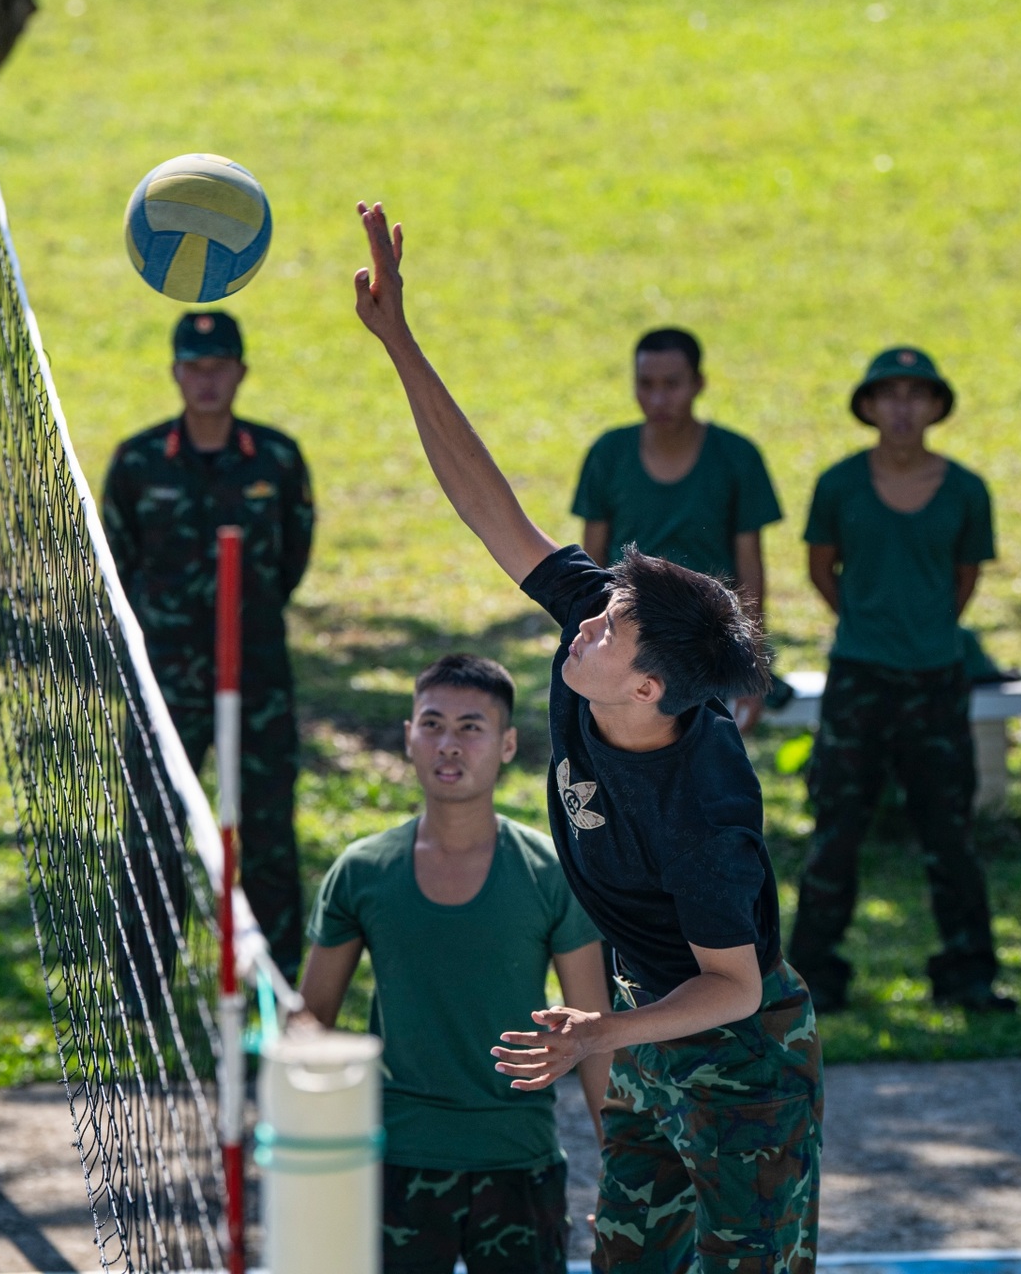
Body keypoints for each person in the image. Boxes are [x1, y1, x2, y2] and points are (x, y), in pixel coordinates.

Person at [351, 202, 820, 1274]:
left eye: (609, 625)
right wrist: (399, 342)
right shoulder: (598, 645)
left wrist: (596, 1029)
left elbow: (736, 982)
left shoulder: (702, 803)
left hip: (741, 1053)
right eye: (595, 607)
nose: (586, 619)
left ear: (650, 685)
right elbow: (488, 504)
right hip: (649, 1024)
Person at [297, 654, 612, 1274]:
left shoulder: (552, 873)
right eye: (432, 724)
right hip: (397, 1166)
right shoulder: (361, 872)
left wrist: (620, 1169)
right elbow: (310, 1027)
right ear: (409, 736)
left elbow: (595, 1037)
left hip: (520, 1163)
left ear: (507, 745)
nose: (449, 744)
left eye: (471, 727)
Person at [785, 347, 1012, 1015]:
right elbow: (822, 568)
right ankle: (816, 977)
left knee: (950, 834)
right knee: (837, 833)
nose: (904, 408)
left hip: (938, 681)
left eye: (918, 395)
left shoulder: (966, 489)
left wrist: (925, 628)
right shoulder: (840, 484)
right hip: (859, 678)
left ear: (937, 406)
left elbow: (964, 578)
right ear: (869, 407)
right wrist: (869, 625)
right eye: (890, 395)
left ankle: (969, 973)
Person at [100, 311, 315, 978]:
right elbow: (119, 556)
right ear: (176, 373)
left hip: (257, 671)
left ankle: (279, 987)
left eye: (219, 366)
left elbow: (292, 554)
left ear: (240, 372)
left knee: (269, 833)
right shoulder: (139, 462)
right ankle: (144, 988)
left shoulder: (275, 459)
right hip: (166, 677)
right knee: (154, 828)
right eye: (195, 367)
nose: (207, 380)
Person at [572, 328, 783, 729]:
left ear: (698, 384)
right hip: (627, 646)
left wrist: (752, 666)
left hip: (704, 645)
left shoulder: (737, 457)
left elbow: (750, 567)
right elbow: (592, 562)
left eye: (672, 385)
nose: (657, 399)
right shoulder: (608, 453)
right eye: (646, 384)